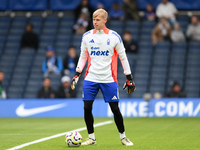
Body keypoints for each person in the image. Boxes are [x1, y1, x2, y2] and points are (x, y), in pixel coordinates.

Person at [71, 9, 136, 146]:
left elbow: (123, 58)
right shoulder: (87, 36)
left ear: (105, 20)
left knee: (115, 109)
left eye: (98, 19)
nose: (95, 22)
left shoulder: (114, 37)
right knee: (87, 107)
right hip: (91, 78)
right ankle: (91, 138)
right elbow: (83, 56)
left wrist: (129, 77)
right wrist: (77, 74)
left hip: (108, 79)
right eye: (94, 19)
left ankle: (123, 137)